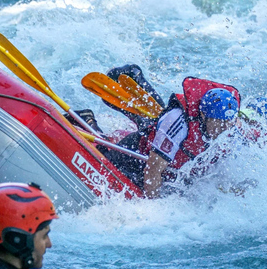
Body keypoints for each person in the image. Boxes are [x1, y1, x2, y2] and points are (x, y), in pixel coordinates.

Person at [98, 68, 240, 199]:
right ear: (203, 115)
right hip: (136, 158)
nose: (223, 127)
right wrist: (154, 207)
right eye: (218, 121)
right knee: (106, 158)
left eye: (228, 121)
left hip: (172, 173)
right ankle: (90, 121)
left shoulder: (232, 128)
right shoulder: (178, 121)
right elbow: (153, 170)